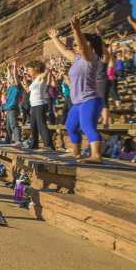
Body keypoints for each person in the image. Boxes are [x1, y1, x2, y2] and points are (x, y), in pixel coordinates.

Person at [49, 16, 104, 163]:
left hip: (90, 100)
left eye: (77, 44)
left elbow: (83, 47)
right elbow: (64, 50)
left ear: (88, 44)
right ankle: (76, 153)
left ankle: (96, 156)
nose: (74, 46)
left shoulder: (91, 57)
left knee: (87, 126)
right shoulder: (78, 59)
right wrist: (55, 38)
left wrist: (77, 30)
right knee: (70, 126)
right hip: (78, 102)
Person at [25, 61, 54, 150]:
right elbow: (28, 90)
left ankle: (49, 146)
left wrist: (49, 67)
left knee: (41, 125)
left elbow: (46, 73)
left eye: (29, 70)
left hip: (40, 104)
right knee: (33, 126)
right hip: (34, 105)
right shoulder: (35, 80)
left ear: (35, 69)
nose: (28, 71)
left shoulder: (41, 77)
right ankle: (34, 145)